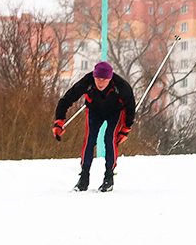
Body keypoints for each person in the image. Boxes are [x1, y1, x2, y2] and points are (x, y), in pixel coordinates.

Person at [53, 61, 135, 192]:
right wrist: (59, 121)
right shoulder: (87, 82)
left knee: (110, 140)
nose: (100, 83)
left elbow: (130, 107)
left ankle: (109, 177)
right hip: (94, 111)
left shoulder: (121, 86)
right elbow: (66, 100)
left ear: (110, 78)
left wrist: (126, 129)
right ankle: (84, 178)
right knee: (90, 140)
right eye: (98, 79)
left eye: (104, 80)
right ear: (94, 76)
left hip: (115, 112)